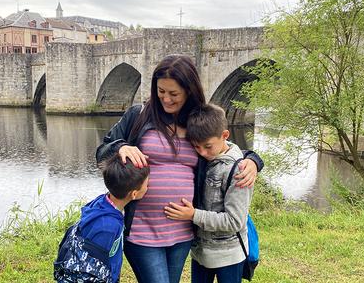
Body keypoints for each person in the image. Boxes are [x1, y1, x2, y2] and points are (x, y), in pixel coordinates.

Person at [95, 54, 263, 283]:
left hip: (182, 231)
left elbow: (223, 149)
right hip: (142, 229)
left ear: (189, 90)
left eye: (174, 93)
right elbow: (102, 150)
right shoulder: (139, 115)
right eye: (161, 91)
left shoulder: (197, 121)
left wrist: (253, 160)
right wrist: (121, 146)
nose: (166, 99)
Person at [164, 104, 252, 283]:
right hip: (200, 252)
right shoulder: (203, 159)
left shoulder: (239, 170)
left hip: (229, 255)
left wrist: (193, 215)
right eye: (196, 147)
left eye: (208, 146)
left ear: (225, 135)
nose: (203, 152)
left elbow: (235, 221)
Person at [53, 154, 149, 283]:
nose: (148, 187)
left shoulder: (102, 202)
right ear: (134, 194)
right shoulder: (108, 226)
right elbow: (93, 266)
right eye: (146, 185)